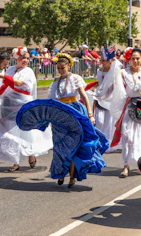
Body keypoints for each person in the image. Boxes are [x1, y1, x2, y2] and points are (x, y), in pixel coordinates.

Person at [0, 46, 53, 171]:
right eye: (23, 58)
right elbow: (4, 85)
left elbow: (20, 84)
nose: (26, 60)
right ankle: (15, 162)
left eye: (27, 58)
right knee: (10, 131)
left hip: (22, 105)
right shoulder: (10, 69)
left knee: (26, 131)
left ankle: (31, 155)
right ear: (16, 58)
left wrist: (2, 77)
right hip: (9, 104)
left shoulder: (28, 71)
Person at [46, 53, 108, 187]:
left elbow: (84, 96)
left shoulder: (75, 79)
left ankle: (72, 176)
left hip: (74, 112)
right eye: (59, 68)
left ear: (69, 66)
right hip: (59, 115)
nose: (61, 70)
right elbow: (52, 101)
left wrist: (90, 114)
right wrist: (50, 117)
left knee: (74, 145)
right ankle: (61, 172)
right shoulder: (55, 82)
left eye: (63, 67)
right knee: (59, 146)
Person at [95, 47, 141, 177]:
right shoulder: (123, 72)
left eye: (138, 58)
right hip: (129, 106)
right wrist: (114, 63)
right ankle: (126, 165)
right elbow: (112, 82)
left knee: (139, 135)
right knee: (127, 135)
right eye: (133, 58)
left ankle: (139, 164)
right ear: (129, 59)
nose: (136, 61)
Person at [93, 49, 121, 153]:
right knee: (100, 120)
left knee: (109, 121)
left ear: (110, 61)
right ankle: (100, 141)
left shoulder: (115, 71)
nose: (102, 62)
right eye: (101, 60)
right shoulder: (99, 71)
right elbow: (100, 83)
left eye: (104, 60)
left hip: (111, 98)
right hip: (101, 97)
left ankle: (108, 142)